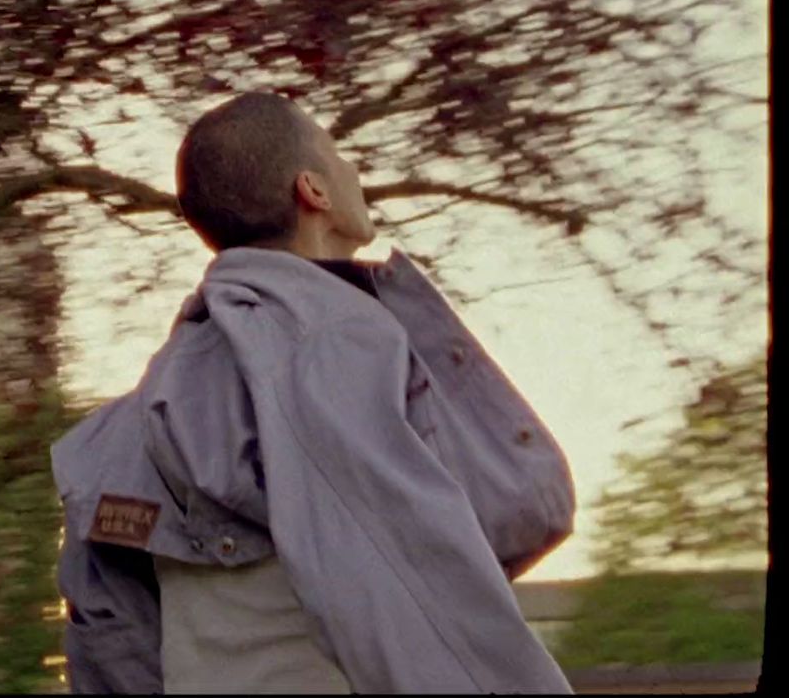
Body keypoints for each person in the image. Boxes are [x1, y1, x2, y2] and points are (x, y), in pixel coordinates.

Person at [52, 92, 576, 694]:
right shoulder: (331, 341)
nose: (354, 172)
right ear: (314, 191)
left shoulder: (127, 424)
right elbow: (403, 575)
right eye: (339, 156)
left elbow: (110, 644)